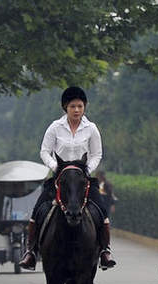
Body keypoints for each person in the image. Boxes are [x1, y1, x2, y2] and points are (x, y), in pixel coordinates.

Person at [20, 86, 116, 271]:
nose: (77, 110)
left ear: (84, 107)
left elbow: (97, 154)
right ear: (65, 107)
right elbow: (44, 151)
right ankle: (30, 252)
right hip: (59, 179)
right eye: (73, 106)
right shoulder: (55, 127)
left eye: (80, 106)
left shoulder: (91, 129)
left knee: (101, 210)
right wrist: (55, 167)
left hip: (82, 179)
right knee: (38, 209)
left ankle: (105, 251)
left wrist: (86, 169)